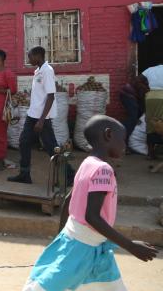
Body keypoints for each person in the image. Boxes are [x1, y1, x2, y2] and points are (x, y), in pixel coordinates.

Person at [23, 115, 158, 291]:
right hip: (83, 248)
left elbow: (68, 200)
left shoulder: (87, 163)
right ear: (108, 135)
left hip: (87, 245)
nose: (125, 146)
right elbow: (92, 216)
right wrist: (130, 246)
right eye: (122, 140)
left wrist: (62, 238)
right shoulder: (104, 170)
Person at [8, 47, 59, 184]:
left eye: (30, 56)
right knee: (24, 142)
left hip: (42, 117)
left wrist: (41, 120)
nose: (28, 59)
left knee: (51, 147)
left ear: (38, 56)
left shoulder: (47, 71)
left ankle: (68, 175)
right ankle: (24, 174)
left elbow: (50, 96)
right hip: (33, 114)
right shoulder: (38, 71)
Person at [119, 74, 149, 142]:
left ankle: (122, 132)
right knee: (132, 118)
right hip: (127, 95)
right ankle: (123, 139)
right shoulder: (143, 84)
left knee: (134, 117)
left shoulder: (146, 80)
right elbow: (141, 99)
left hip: (128, 94)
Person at [143, 63, 163, 159]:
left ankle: (151, 154)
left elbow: (137, 80)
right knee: (161, 122)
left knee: (151, 122)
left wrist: (146, 89)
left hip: (150, 97)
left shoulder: (150, 69)